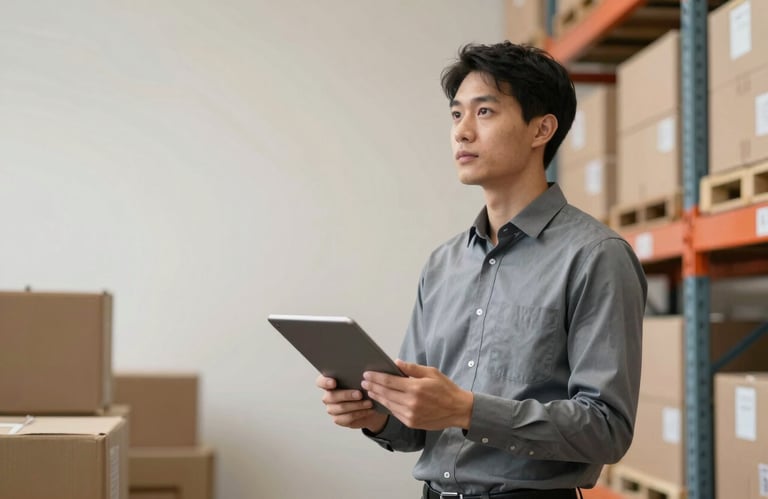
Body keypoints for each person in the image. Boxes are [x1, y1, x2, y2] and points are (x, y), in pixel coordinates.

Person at [316, 41, 647, 499]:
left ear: (541, 129)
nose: (462, 132)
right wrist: (376, 414)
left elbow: (607, 428)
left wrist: (468, 411)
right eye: (456, 115)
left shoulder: (595, 256)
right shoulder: (443, 264)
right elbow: (418, 427)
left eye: (484, 112)